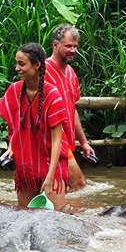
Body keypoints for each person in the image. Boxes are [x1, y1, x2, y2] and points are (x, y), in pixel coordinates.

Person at [0, 43, 69, 210]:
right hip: (25, 168)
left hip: (52, 168)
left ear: (37, 65)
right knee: (26, 220)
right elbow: (14, 128)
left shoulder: (52, 95)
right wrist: (11, 147)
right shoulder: (13, 91)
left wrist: (50, 176)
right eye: (17, 63)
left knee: (54, 222)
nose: (17, 68)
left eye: (22, 64)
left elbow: (58, 140)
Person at [44, 24, 96, 191]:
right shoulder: (43, 71)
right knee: (80, 186)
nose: (73, 50)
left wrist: (83, 142)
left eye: (75, 46)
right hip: (52, 142)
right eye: (68, 46)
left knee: (69, 190)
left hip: (68, 142)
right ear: (55, 45)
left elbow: (71, 110)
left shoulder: (72, 73)